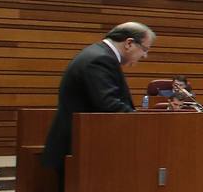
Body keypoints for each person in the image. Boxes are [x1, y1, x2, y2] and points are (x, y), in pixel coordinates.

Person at [42, 22, 151, 172]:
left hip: (82, 147)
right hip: (80, 149)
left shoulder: (98, 53)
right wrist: (144, 125)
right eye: (144, 49)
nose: (145, 55)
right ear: (129, 43)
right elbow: (108, 104)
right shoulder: (100, 59)